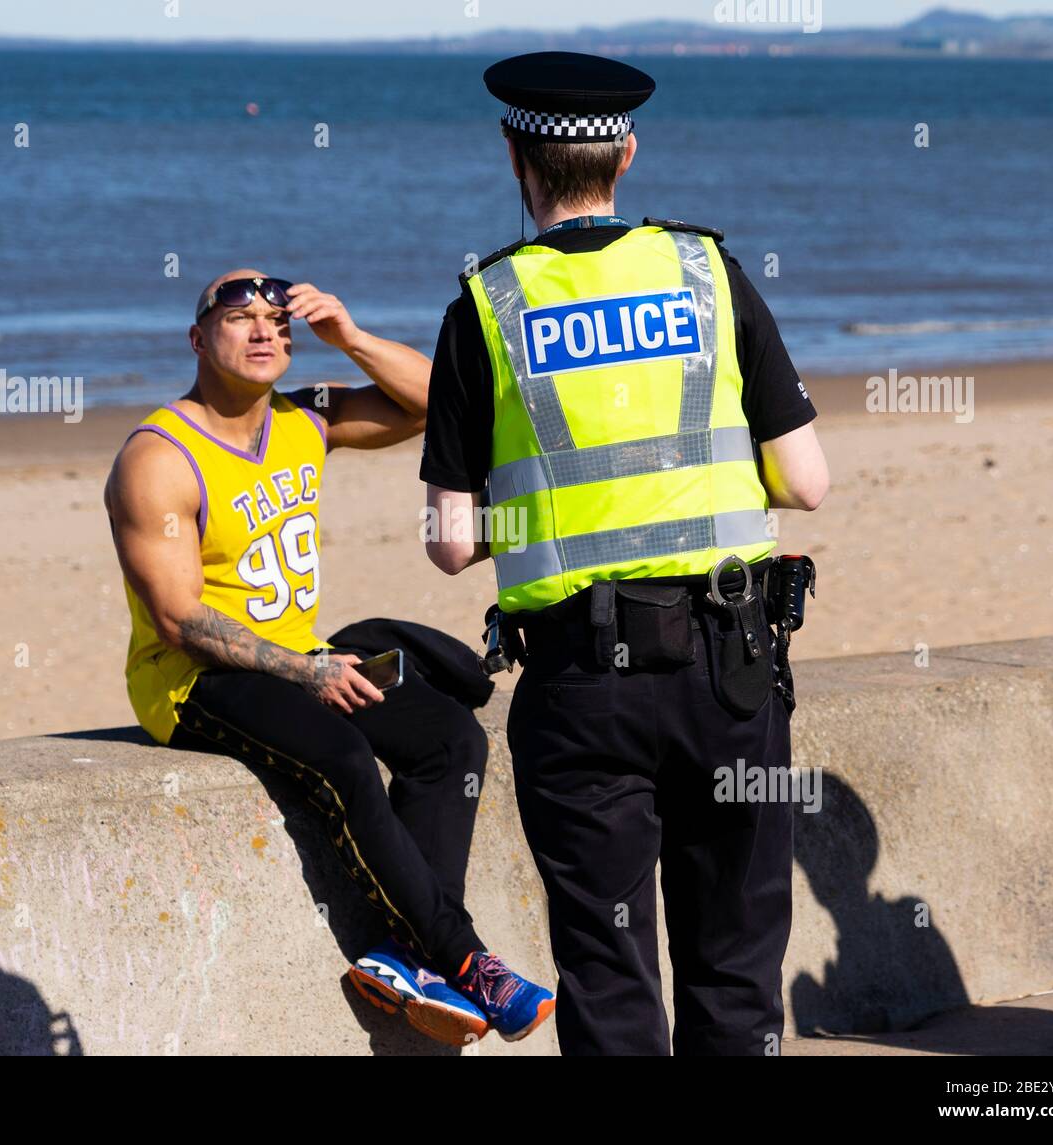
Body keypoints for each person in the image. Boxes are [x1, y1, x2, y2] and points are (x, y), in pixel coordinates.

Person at [423, 52, 830, 1056]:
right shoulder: (706, 272)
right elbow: (805, 480)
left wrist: (551, 523)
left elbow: (450, 541)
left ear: (515, 157)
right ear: (628, 153)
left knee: (608, 973)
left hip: (578, 684)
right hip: (729, 668)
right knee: (735, 962)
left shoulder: (485, 305)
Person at [104, 268, 554, 1047]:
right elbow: (178, 619)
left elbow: (434, 401)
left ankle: (403, 958)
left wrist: (347, 337)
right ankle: (468, 959)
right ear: (197, 337)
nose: (262, 331)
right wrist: (307, 672)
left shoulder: (306, 419)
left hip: (302, 656)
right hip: (195, 679)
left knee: (453, 740)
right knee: (343, 752)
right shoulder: (158, 457)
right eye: (238, 317)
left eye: (276, 321)